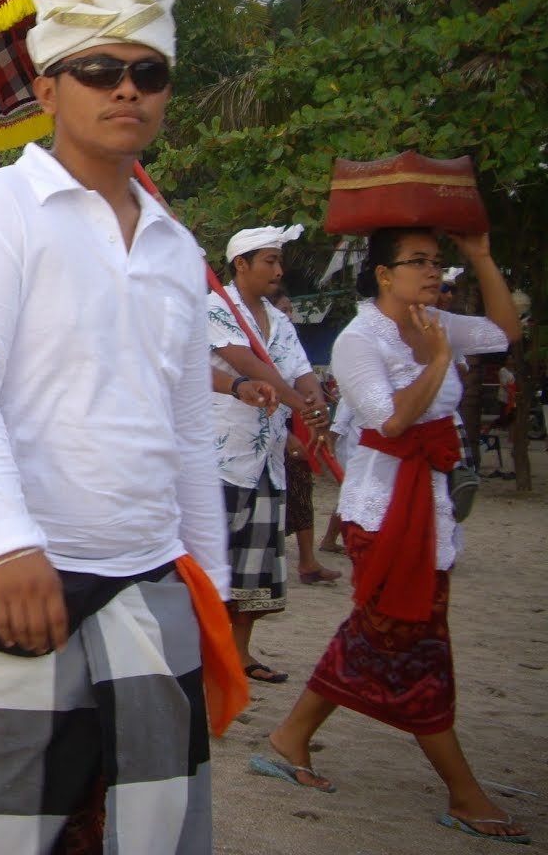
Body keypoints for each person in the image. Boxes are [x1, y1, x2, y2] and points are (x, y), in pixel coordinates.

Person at [0, 0, 237, 853]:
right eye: (99, 69)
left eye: (147, 72)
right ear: (48, 86)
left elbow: (190, 429)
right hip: (4, 567)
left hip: (148, 570)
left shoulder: (174, 244)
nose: (127, 89)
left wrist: (214, 586)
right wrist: (10, 542)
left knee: (153, 831)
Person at [258, 227, 528, 844]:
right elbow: (393, 418)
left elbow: (504, 333)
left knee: (378, 630)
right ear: (383, 272)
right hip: (383, 507)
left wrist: (483, 255)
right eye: (418, 262)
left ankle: (289, 737)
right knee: (413, 643)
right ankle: (464, 792)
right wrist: (436, 362)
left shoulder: (432, 321)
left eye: (438, 262)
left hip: (426, 502)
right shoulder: (361, 339)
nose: (434, 273)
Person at [208, 226, 329, 683]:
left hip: (266, 460)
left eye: (280, 262)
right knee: (214, 563)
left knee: (254, 566)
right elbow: (249, 365)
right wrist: (302, 406)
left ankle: (239, 655)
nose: (279, 271)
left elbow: (300, 371)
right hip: (219, 458)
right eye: (269, 262)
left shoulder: (279, 322)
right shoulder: (215, 309)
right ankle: (207, 656)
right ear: (241, 264)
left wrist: (315, 403)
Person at [271, 292, 342, 587]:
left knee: (301, 490)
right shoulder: (259, 342)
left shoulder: (289, 342)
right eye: (283, 308)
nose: (288, 314)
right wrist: (286, 435)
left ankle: (307, 561)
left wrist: (316, 411)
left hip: (291, 423)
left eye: (290, 309)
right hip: (271, 427)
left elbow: (305, 378)